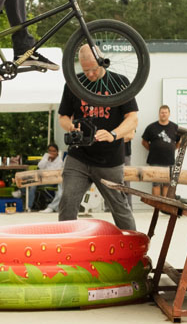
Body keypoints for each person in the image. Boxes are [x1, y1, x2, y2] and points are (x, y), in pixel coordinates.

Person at [56, 45, 139, 230]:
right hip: (79, 155)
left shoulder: (119, 82)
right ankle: (67, 246)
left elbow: (132, 118)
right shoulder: (74, 82)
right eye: (86, 70)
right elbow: (62, 116)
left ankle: (134, 250)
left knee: (119, 207)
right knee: (68, 200)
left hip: (110, 160)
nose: (90, 74)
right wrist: (69, 126)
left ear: (103, 62)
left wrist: (113, 134)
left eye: (94, 69)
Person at [141, 105, 180, 197]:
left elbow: (179, 142)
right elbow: (144, 142)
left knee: (167, 185)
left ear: (169, 114)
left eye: (166, 112)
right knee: (156, 185)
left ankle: (164, 209)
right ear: (159, 114)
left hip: (169, 161)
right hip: (155, 161)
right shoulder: (151, 127)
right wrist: (153, 150)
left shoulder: (175, 127)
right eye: (162, 112)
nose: (164, 114)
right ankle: (156, 207)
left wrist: (171, 148)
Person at [31, 143, 63, 211]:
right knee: (31, 183)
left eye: (53, 151)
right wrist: (46, 160)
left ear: (57, 152)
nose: (51, 153)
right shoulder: (46, 156)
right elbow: (40, 166)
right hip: (42, 179)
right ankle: (28, 205)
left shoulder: (59, 161)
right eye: (50, 151)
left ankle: (29, 206)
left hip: (52, 181)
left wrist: (45, 172)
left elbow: (54, 173)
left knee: (33, 184)